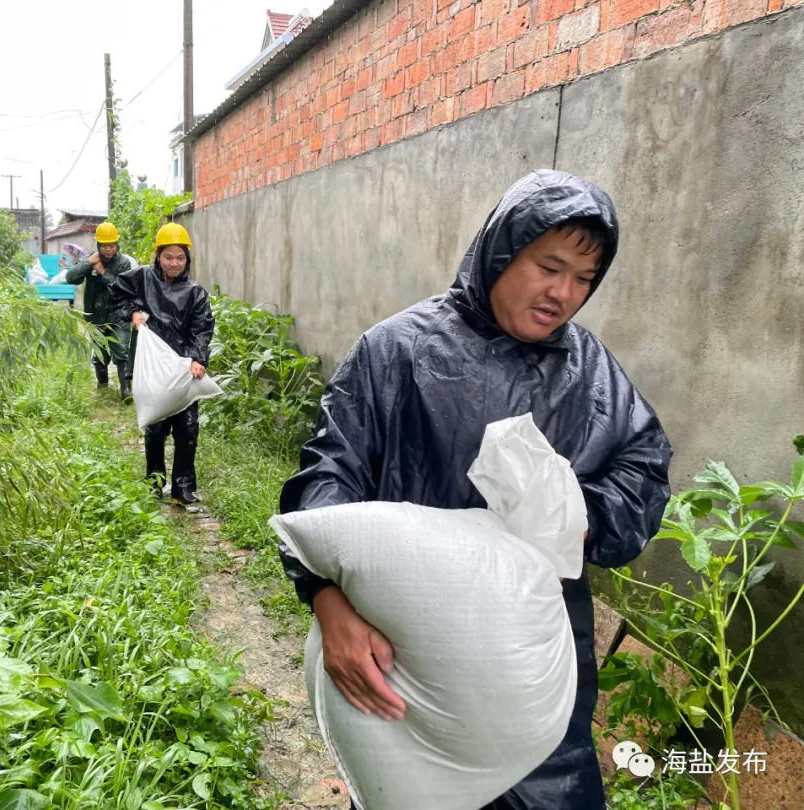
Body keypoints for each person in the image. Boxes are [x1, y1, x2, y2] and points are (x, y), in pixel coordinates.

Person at [278, 170, 672, 809]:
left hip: (536, 671)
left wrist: (580, 515)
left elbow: (643, 466)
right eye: (549, 266)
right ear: (501, 249)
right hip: (409, 665)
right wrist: (327, 599)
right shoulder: (398, 352)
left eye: (583, 279)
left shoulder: (589, 370)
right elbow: (325, 481)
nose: (563, 293)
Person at [111, 222, 214, 506]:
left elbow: (203, 328)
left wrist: (198, 358)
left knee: (187, 428)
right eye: (168, 256)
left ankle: (184, 487)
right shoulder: (142, 278)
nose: (174, 263)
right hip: (151, 366)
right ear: (158, 256)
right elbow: (117, 294)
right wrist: (133, 313)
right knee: (155, 428)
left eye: (180, 257)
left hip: (182, 368)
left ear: (187, 259)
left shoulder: (195, 292)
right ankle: (154, 483)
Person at [65, 221, 134, 401]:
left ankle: (126, 390)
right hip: (96, 316)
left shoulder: (124, 263)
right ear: (99, 245)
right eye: (105, 246)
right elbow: (70, 278)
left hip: (118, 314)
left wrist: (103, 272)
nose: (108, 249)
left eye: (112, 245)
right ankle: (102, 385)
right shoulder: (91, 260)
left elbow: (121, 288)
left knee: (121, 351)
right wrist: (88, 264)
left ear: (117, 245)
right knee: (101, 353)